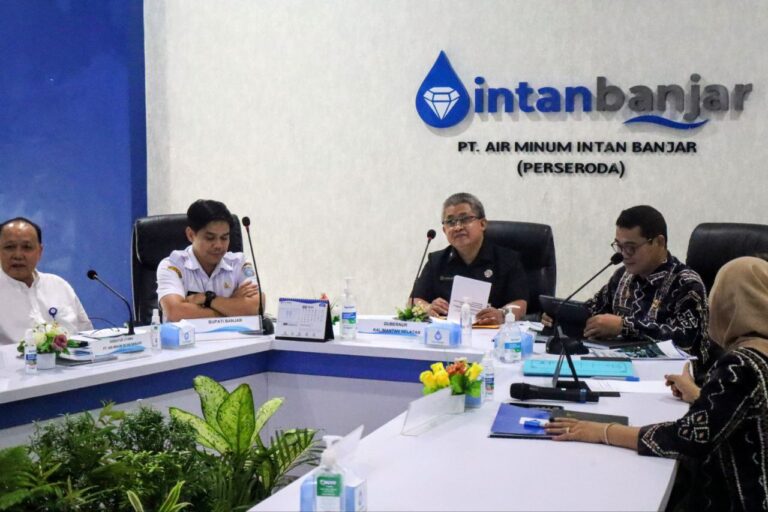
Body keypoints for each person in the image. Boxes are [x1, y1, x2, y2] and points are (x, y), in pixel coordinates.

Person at [545, 256, 768, 511]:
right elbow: (749, 411)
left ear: (730, 305)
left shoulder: (741, 365)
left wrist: (601, 431)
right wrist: (700, 396)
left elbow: (687, 438)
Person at [546, 205, 716, 382]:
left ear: (659, 242)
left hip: (674, 380)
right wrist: (560, 315)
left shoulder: (687, 284)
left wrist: (624, 326)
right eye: (619, 246)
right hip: (622, 372)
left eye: (631, 247)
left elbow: (685, 339)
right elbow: (593, 310)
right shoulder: (622, 276)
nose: (623, 255)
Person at [411, 192, 528, 325]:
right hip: (447, 332)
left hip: (493, 332)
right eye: (450, 222)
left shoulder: (508, 259)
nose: (458, 227)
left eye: (465, 219)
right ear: (444, 230)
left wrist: (502, 314)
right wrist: (427, 308)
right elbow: (414, 300)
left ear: (482, 224)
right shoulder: (436, 261)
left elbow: (520, 303)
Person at [156, 199, 262, 322]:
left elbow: (257, 306)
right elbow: (175, 312)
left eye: (224, 238)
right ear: (191, 235)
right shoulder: (172, 266)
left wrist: (209, 299)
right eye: (210, 238)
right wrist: (232, 306)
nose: (218, 245)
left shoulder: (238, 262)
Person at [0, 217, 92, 344]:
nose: (18, 255)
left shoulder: (59, 286)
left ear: (39, 252)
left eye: (27, 247)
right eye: (9, 247)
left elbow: (87, 336)